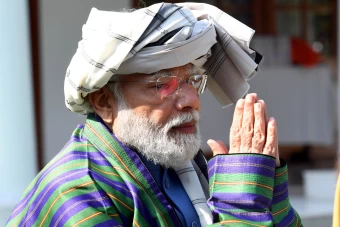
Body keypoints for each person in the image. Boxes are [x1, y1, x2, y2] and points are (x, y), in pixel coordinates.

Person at [6, 2, 302, 227]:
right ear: (104, 103)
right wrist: (241, 206)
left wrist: (265, 192)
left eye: (191, 80)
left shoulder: (171, 159)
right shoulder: (79, 194)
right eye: (162, 84)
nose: (190, 100)